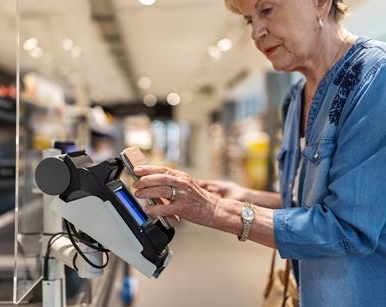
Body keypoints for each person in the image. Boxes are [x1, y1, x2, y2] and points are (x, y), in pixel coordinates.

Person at [132, 0, 386, 306]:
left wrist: (216, 210)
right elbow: (310, 203)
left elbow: (348, 228)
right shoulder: (295, 100)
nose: (256, 33)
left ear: (319, 3)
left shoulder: (374, 80)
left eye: (266, 10)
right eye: (249, 20)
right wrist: (244, 197)